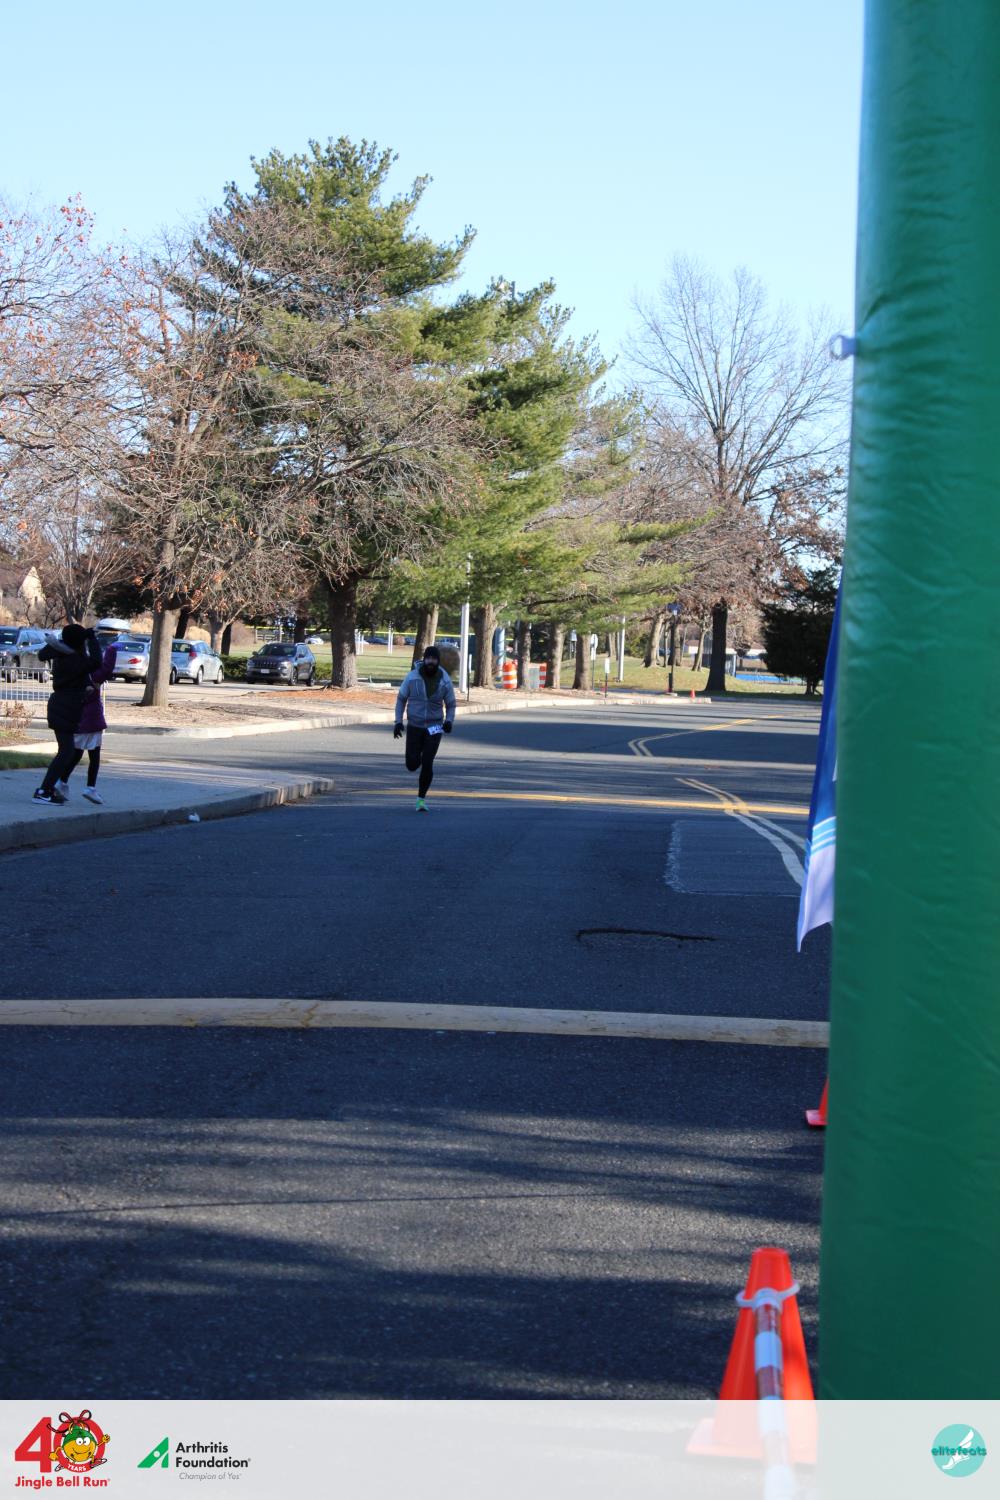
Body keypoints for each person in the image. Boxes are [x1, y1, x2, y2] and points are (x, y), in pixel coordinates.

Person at [34, 624, 102, 805]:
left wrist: (60, 642)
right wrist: (92, 639)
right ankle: (44, 791)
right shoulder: (74, 660)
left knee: (67, 751)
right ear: (79, 642)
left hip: (61, 705)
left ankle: (47, 789)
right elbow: (97, 661)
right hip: (66, 707)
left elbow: (43, 654)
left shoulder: (62, 654)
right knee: (66, 752)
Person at [394, 644, 456, 811]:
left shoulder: (444, 680)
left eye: (434, 659)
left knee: (428, 762)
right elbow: (401, 699)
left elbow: (451, 704)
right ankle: (418, 757)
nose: (430, 662)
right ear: (424, 659)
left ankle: (421, 800)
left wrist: (449, 721)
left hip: (435, 727)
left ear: (438, 661)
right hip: (415, 725)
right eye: (428, 658)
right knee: (412, 764)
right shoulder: (412, 677)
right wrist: (398, 722)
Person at [57, 639, 117, 804]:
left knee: (76, 754)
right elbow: (107, 668)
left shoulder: (70, 670)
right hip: (92, 718)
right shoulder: (92, 673)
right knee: (94, 756)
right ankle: (90, 787)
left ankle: (61, 781)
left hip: (76, 717)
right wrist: (111, 649)